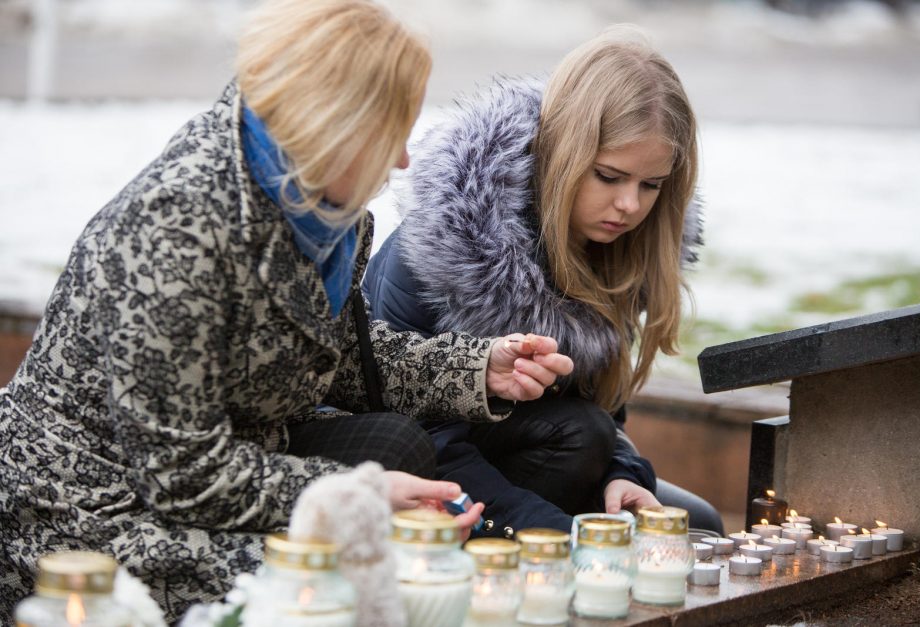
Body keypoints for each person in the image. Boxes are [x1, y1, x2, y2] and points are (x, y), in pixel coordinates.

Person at [0, 0, 574, 621]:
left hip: (229, 460)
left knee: (395, 447)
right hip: (93, 509)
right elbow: (181, 473)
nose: (403, 159)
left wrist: (475, 368)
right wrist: (356, 503)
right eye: (392, 131)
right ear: (338, 120)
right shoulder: (177, 227)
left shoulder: (321, 210)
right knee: (344, 580)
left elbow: (341, 359)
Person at [364, 25, 725, 538]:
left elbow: (601, 407)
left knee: (701, 524)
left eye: (651, 185)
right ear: (563, 152)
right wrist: (539, 531)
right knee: (580, 437)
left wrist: (627, 474)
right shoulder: (438, 251)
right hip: (418, 476)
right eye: (608, 176)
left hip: (548, 451)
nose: (629, 205)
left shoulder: (619, 249)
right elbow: (421, 439)